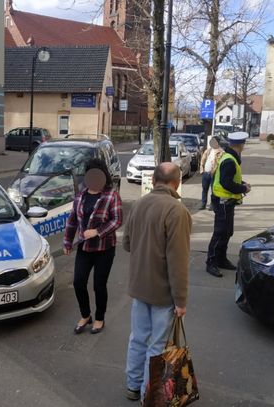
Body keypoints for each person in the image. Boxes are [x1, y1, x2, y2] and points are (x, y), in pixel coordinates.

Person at [123, 162, 192, 401]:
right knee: (157, 345)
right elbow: (178, 262)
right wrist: (181, 300)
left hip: (139, 287)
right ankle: (147, 394)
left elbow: (127, 244)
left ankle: (133, 385)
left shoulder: (139, 204)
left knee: (137, 338)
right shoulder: (176, 211)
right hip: (163, 292)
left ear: (153, 181)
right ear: (178, 182)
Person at [63, 158, 123, 335]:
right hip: (84, 247)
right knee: (78, 282)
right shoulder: (81, 195)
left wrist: (98, 231)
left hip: (105, 248)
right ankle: (85, 315)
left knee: (99, 285)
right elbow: (73, 219)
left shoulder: (111, 195)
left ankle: (99, 318)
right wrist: (67, 241)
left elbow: (117, 220)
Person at [206, 132, 251, 278]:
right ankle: (211, 262)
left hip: (226, 201)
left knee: (227, 232)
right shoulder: (230, 160)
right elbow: (226, 183)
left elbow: (228, 178)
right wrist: (243, 188)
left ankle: (221, 259)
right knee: (220, 233)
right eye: (244, 144)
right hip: (223, 201)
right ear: (241, 145)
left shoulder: (229, 157)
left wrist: (242, 184)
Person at [199, 136, 224, 210]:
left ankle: (212, 205)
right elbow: (203, 160)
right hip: (206, 173)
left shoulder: (221, 152)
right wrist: (202, 169)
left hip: (214, 174)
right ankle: (203, 204)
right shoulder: (208, 150)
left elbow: (220, 163)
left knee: (214, 190)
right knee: (204, 189)